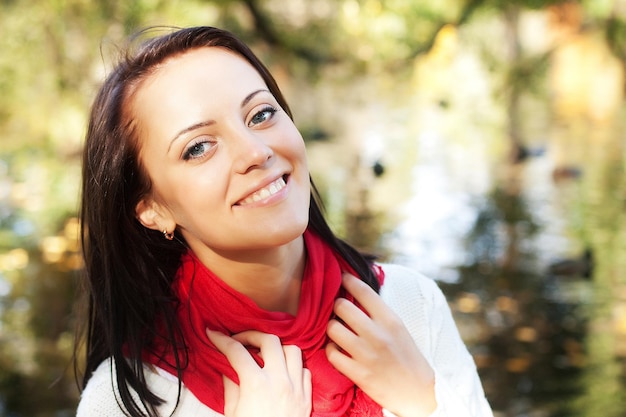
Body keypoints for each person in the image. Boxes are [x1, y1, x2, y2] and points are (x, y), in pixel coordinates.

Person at [74, 26, 493, 417]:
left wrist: (423, 398)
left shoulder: (409, 305)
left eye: (259, 115)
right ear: (153, 208)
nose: (256, 151)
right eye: (199, 147)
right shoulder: (123, 399)